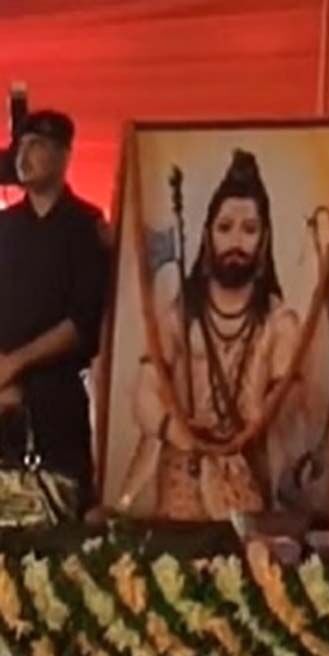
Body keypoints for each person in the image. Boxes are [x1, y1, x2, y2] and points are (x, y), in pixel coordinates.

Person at [117, 149, 310, 521]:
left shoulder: (279, 322)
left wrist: (256, 424)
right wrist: (179, 433)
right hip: (180, 469)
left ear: (264, 239)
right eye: (225, 228)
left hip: (245, 472)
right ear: (207, 235)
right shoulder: (180, 315)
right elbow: (145, 392)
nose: (236, 242)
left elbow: (289, 402)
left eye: (249, 230)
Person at [0, 109, 110, 515]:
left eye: (37, 146)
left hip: (57, 393)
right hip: (4, 394)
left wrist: (17, 362)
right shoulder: (6, 226)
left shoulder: (85, 225)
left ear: (64, 156)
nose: (24, 156)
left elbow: (83, 321)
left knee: (61, 513)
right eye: (21, 147)